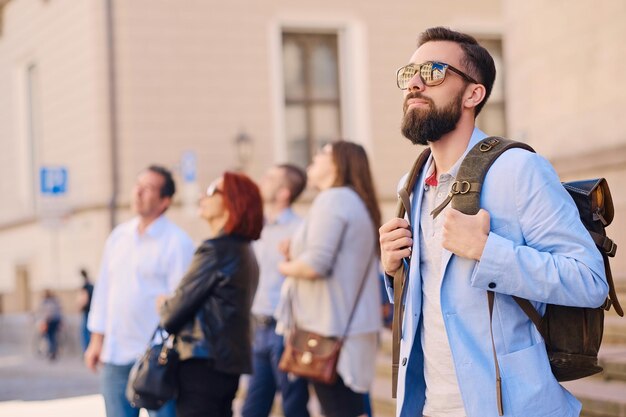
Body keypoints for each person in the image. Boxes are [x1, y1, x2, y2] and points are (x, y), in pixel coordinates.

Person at [379, 27, 609, 417]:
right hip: (430, 406)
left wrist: (488, 251)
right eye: (409, 74)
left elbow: (589, 282)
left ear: (473, 93)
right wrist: (392, 270)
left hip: (510, 406)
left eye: (433, 71)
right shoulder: (412, 183)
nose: (415, 84)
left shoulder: (519, 169)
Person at [276, 140, 382, 417]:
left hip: (330, 331)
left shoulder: (334, 198)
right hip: (344, 327)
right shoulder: (351, 200)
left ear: (338, 164)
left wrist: (284, 268)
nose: (314, 156)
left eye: (322, 153)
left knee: (340, 409)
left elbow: (315, 265)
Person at [85, 165, 195, 417]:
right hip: (115, 353)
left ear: (165, 200)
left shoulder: (177, 242)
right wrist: (96, 341)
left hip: (157, 356)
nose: (138, 193)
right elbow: (104, 292)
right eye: (137, 185)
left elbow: (180, 304)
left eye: (147, 188)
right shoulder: (118, 237)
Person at [159, 171, 263, 417]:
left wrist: (165, 303)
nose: (201, 197)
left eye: (211, 191)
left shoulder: (214, 250)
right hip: (227, 364)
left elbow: (171, 315)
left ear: (232, 201)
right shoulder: (245, 251)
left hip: (202, 363)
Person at [242, 164, 310, 417]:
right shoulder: (252, 227)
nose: (262, 180)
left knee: (293, 405)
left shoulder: (300, 229)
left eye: (270, 178)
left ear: (284, 192)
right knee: (253, 406)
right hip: (256, 329)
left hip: (286, 329)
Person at [37, 289, 62, 360]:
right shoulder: (55, 301)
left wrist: (44, 321)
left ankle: (51, 351)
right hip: (56, 320)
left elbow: (45, 313)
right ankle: (52, 351)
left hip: (49, 321)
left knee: (49, 337)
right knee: (53, 336)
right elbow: (59, 311)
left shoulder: (45, 302)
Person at [76, 268, 94, 352]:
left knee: (85, 332)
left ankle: (87, 350)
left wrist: (79, 307)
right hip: (92, 310)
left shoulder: (85, 286)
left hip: (87, 310)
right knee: (90, 330)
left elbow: (84, 299)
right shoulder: (91, 284)